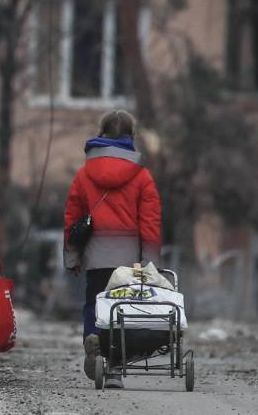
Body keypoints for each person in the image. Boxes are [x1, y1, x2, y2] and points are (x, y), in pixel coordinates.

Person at [63, 109, 161, 388]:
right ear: (131, 136)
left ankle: (93, 337)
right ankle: (115, 368)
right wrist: (150, 262)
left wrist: (72, 257)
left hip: (96, 256)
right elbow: (150, 223)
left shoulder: (84, 175)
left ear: (101, 134)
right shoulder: (142, 176)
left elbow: (72, 218)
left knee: (95, 303)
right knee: (123, 310)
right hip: (129, 260)